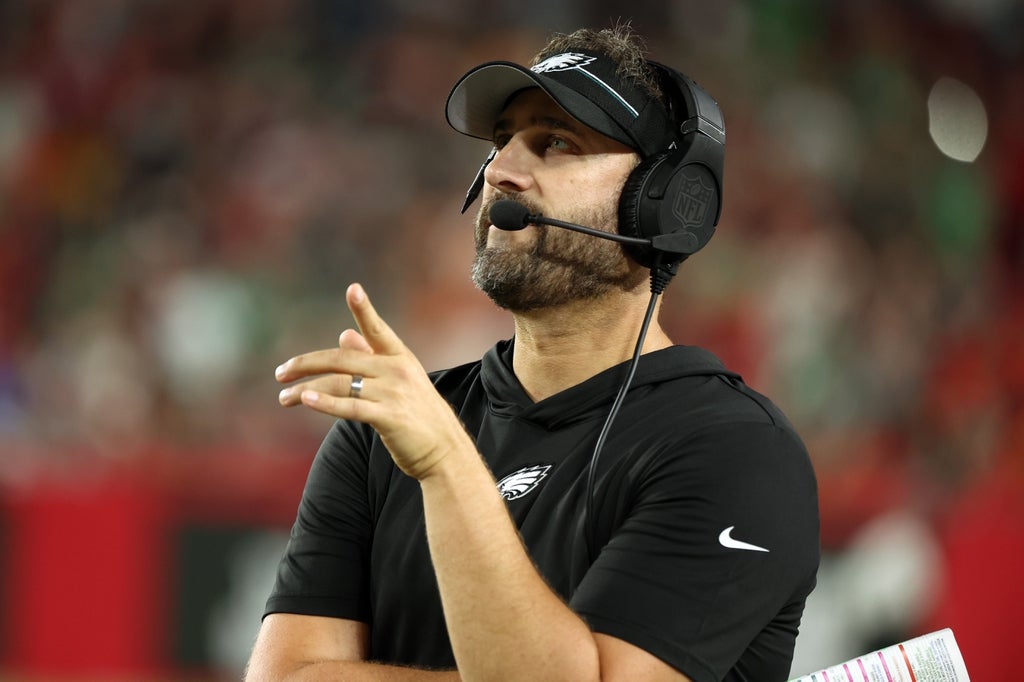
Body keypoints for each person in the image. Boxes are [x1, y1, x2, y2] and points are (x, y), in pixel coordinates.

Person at [245, 25, 819, 682]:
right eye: (499, 142)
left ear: (664, 202)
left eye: (554, 142)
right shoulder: (380, 436)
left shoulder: (737, 451)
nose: (501, 171)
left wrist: (446, 463)